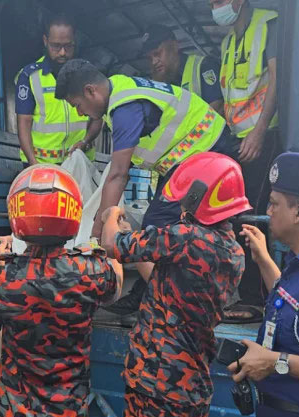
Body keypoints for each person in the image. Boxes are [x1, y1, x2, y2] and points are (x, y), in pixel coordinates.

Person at [54, 59, 240, 315]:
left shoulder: (124, 107)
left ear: (90, 91)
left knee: (159, 221)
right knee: (171, 224)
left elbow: (118, 174)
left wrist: (100, 228)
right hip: (189, 159)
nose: (79, 112)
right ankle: (155, 292)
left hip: (206, 152)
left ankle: (163, 301)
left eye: (77, 105)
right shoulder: (117, 89)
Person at [101, 152, 249, 417]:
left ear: (197, 197)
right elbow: (164, 283)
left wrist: (110, 215)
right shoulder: (235, 252)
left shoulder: (185, 238)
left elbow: (111, 244)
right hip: (190, 385)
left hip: (156, 383)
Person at [0, 165, 122, 417]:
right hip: (69, 410)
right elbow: (115, 291)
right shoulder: (92, 271)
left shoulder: (0, 278)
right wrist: (103, 247)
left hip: (15, 412)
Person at [229, 152, 299, 417]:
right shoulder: (298, 263)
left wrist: (274, 362)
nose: (267, 213)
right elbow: (291, 302)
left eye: (273, 204)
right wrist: (264, 259)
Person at [210, 0, 282, 317]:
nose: (217, 7)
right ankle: (243, 291)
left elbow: (276, 81)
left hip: (262, 137)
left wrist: (260, 131)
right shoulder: (227, 42)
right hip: (236, 138)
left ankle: (256, 298)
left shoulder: (268, 24)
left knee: (252, 213)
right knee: (233, 214)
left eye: (221, 1)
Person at [15, 14, 103, 166]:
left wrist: (85, 141)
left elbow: (98, 115)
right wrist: (33, 164)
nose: (62, 52)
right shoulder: (29, 76)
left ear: (75, 41)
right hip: (41, 164)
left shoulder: (88, 72)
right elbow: (24, 122)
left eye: (68, 46)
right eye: (56, 46)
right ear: (45, 41)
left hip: (79, 162)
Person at [142, 24, 223, 113]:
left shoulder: (203, 66)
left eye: (157, 53)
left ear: (174, 46)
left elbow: (217, 108)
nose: (154, 62)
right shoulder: (162, 81)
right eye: (149, 58)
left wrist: (195, 127)